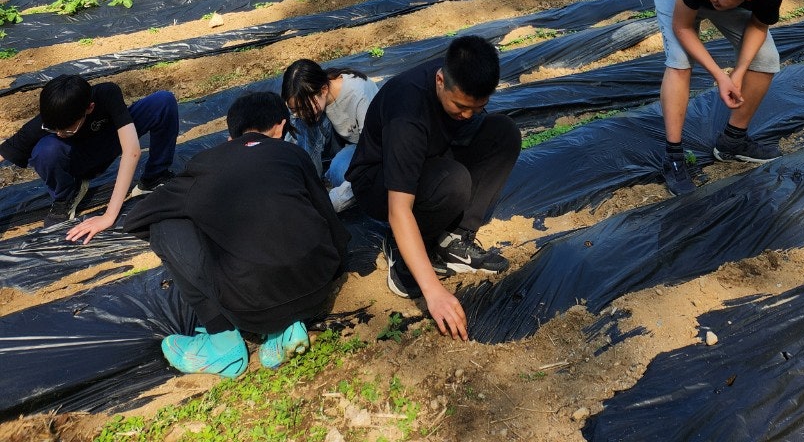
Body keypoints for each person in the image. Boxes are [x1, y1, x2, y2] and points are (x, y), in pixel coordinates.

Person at [125, 90, 349, 378]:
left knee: (164, 228)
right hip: (318, 288)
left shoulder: (206, 163)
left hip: (253, 308)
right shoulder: (294, 154)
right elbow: (328, 217)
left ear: (230, 134)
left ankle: (223, 343)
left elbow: (139, 217)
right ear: (281, 126)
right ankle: (285, 329)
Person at [348, 34, 521, 341]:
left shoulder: (460, 78)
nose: (467, 114)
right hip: (378, 181)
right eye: (460, 106)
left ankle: (453, 240)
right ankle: (402, 260)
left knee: (503, 133)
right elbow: (398, 209)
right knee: (452, 182)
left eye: (477, 106)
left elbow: (469, 117)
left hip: (432, 155)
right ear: (440, 80)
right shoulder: (408, 114)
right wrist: (434, 291)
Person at [654, 0, 784, 197]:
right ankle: (674, 157)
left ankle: (733, 141)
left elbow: (758, 26)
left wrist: (739, 71)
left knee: (766, 59)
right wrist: (720, 76)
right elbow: (683, 27)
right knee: (679, 63)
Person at [0, 74, 178, 240]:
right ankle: (67, 195)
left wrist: (108, 216)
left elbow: (132, 150)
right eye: (55, 130)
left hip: (109, 143)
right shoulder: (48, 121)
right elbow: (4, 152)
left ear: (89, 108)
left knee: (163, 101)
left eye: (68, 129)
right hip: (78, 161)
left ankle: (154, 176)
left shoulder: (107, 94)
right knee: (45, 150)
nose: (60, 133)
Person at [280, 59, 379, 211]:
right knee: (304, 123)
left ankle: (319, 194)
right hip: (343, 139)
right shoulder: (313, 95)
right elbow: (295, 136)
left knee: (338, 172)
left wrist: (331, 203)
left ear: (324, 90)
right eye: (294, 109)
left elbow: (373, 155)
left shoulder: (359, 95)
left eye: (301, 108)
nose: (298, 114)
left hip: (370, 146)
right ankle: (310, 186)